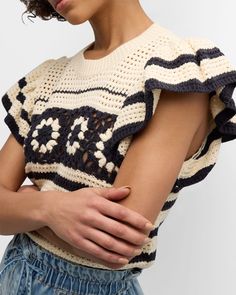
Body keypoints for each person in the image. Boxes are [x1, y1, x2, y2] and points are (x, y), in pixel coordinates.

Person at [0, 0, 236, 294]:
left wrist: (22, 202)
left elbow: (116, 239)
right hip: (11, 272)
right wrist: (50, 207)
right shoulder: (46, 79)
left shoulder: (175, 70)